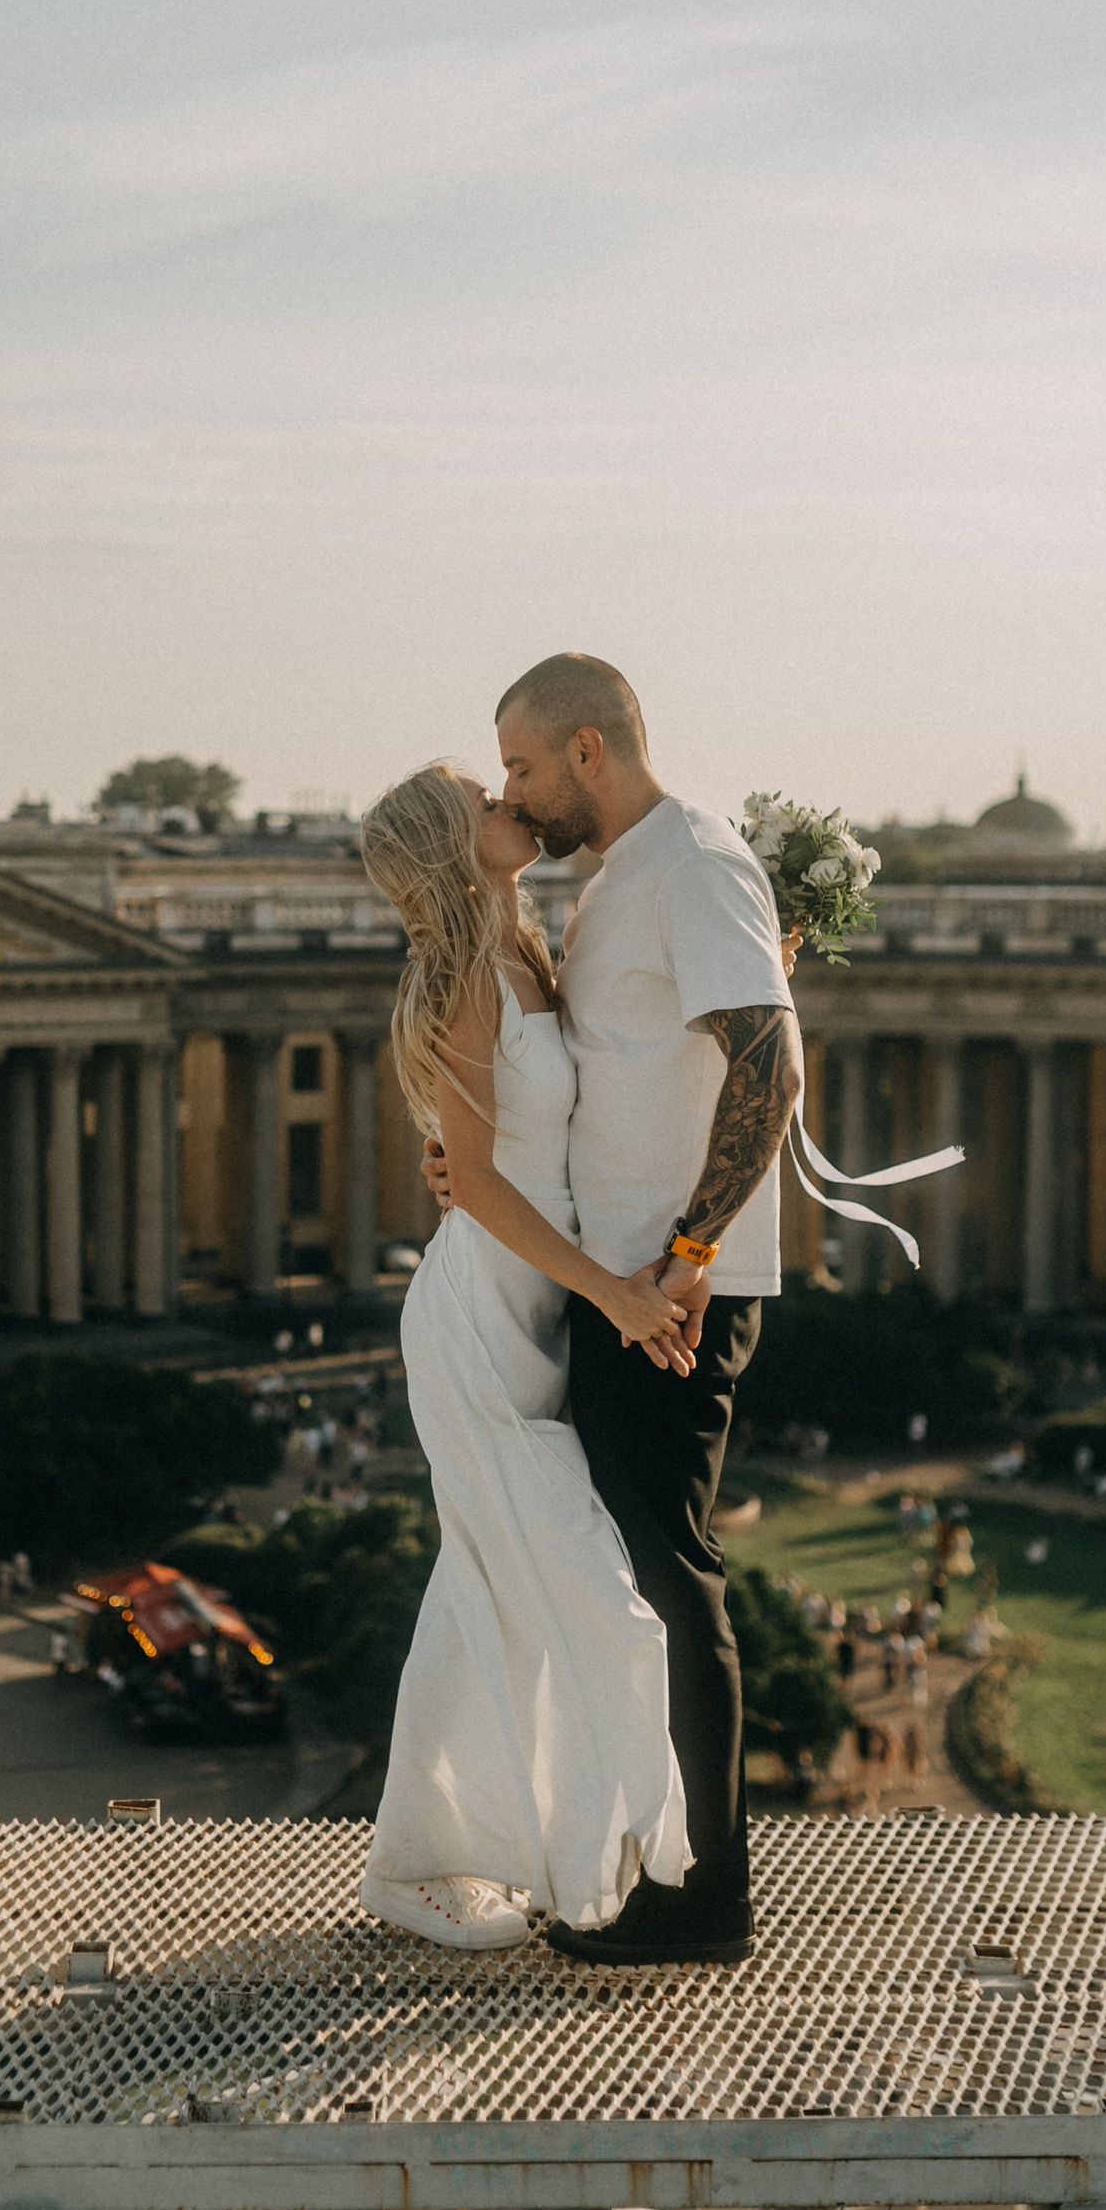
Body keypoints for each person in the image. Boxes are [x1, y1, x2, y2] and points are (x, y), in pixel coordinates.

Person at [428, 654, 801, 1967]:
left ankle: (700, 1900)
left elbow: (772, 1055)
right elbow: (616, 1075)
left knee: (664, 1576)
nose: (516, 793)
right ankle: (665, 1866)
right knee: (631, 1579)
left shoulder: (691, 860)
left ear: (588, 750)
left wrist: (693, 1251)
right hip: (623, 1280)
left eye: (524, 766)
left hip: (667, 1292)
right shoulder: (619, 881)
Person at [353, 761, 694, 1951]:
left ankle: (424, 1857)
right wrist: (614, 1295)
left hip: (537, 1311)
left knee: (486, 1589)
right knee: (592, 1598)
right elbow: (484, 1185)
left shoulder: (530, 953)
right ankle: (591, 1848)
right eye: (482, 799)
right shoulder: (460, 976)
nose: (511, 801)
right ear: (453, 842)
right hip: (483, 1324)